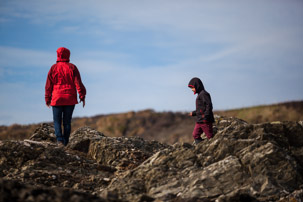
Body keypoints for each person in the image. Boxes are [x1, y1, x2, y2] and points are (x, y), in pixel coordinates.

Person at [45, 47, 86, 146]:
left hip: (57, 98)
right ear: (68, 55)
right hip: (70, 98)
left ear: (58, 55)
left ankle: (60, 141)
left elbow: (48, 86)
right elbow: (78, 84)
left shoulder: (53, 68)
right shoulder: (72, 67)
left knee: (57, 121)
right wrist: (82, 95)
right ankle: (66, 142)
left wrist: (47, 98)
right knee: (67, 122)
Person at [188, 77, 214, 145]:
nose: (192, 90)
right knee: (195, 134)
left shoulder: (204, 94)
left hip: (205, 120)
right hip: (199, 120)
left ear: (197, 86)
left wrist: (206, 116)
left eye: (192, 88)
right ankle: (201, 147)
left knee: (210, 136)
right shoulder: (200, 95)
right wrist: (193, 113)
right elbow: (200, 109)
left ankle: (211, 148)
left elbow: (209, 105)